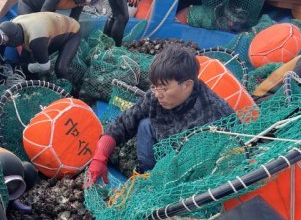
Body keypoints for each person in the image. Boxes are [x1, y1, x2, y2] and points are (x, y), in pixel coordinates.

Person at [86, 45, 235, 183]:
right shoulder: (155, 96)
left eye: (163, 88)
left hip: (191, 167)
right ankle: (148, 175)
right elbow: (124, 122)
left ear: (187, 85)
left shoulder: (216, 112)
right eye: (154, 87)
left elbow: (234, 151)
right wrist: (100, 158)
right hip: (162, 147)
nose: (157, 94)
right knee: (145, 124)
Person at [0, 12, 81, 81]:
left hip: (71, 33)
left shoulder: (36, 41)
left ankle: (72, 95)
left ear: (15, 40)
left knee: (61, 69)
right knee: (24, 60)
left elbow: (45, 66)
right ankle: (32, 81)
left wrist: (26, 68)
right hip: (49, 28)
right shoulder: (13, 22)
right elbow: (5, 36)